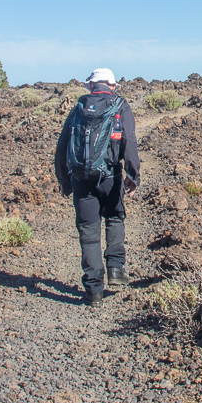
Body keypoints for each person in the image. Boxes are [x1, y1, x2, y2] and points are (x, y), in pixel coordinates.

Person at [54, 68, 140, 305]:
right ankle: (115, 270)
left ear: (90, 86)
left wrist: (64, 180)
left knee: (89, 233)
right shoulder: (120, 106)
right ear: (112, 86)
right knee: (114, 217)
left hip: (81, 179)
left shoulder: (78, 108)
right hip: (111, 175)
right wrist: (133, 174)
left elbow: (62, 146)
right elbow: (129, 141)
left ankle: (93, 291)